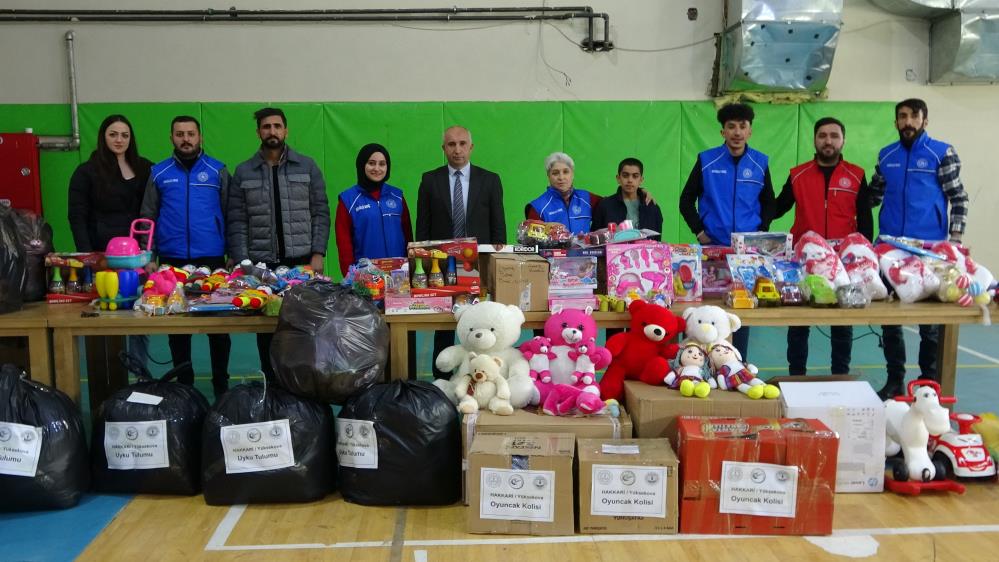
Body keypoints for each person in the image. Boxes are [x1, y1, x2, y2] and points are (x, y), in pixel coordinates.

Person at [870, 98, 969, 400]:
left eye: (914, 116)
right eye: (902, 116)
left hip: (929, 251)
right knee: (889, 320)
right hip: (889, 250)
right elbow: (873, 196)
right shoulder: (887, 155)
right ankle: (895, 380)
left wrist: (954, 241)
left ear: (925, 120)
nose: (908, 122)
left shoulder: (941, 153)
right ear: (896, 122)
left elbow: (959, 198)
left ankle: (928, 383)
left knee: (930, 324)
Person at [228, 107, 330, 381]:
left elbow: (320, 211)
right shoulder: (244, 171)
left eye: (277, 126)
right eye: (266, 127)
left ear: (286, 130)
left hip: (301, 262)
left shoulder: (307, 167)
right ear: (258, 132)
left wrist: (318, 253)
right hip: (262, 266)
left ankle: (303, 385)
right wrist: (242, 261)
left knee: (304, 329)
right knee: (266, 332)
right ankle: (271, 385)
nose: (272, 131)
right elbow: (237, 220)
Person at [773, 116, 873, 378]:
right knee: (799, 324)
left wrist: (864, 261)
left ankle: (841, 376)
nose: (828, 141)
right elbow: (774, 208)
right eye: (823, 136)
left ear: (843, 140)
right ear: (815, 140)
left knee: (842, 324)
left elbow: (865, 222)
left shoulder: (857, 175)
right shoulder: (798, 175)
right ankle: (796, 377)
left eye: (834, 135)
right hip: (803, 262)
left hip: (842, 264)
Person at [140, 115, 231, 398]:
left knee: (219, 328)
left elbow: (232, 214)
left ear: (200, 137)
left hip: (213, 260)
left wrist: (233, 254)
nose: (186, 139)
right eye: (180, 134)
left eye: (191, 133)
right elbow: (147, 216)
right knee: (178, 328)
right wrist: (148, 255)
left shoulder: (218, 171)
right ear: (171, 138)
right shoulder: (159, 172)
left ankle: (221, 385)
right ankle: (184, 387)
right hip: (172, 260)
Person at [679, 103, 776, 361]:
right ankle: (697, 361)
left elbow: (769, 202)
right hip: (712, 250)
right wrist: (700, 232)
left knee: (741, 313)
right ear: (722, 131)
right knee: (706, 311)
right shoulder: (706, 160)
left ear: (750, 131)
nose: (736, 132)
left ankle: (736, 362)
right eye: (731, 126)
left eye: (742, 126)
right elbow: (685, 200)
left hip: (746, 255)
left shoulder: (760, 163)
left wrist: (760, 234)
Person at [415, 125, 506, 380]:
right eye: (451, 144)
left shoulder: (490, 180)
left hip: (478, 263)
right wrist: (421, 255)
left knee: (481, 321)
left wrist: (495, 259)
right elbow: (423, 225)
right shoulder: (429, 180)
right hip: (441, 264)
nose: (457, 150)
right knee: (444, 323)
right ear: (443, 148)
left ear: (471, 147)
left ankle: (482, 373)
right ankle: (440, 378)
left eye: (462, 144)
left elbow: (498, 226)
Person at [68, 114, 152, 371]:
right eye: (113, 134)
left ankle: (139, 373)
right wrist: (89, 257)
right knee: (106, 315)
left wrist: (150, 254)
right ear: (103, 137)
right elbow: (77, 216)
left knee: (139, 315)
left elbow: (152, 211)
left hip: (136, 257)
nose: (119, 140)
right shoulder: (86, 172)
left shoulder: (145, 167)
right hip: (103, 257)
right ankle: (107, 377)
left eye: (124, 135)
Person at [335, 143, 413, 276]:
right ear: (362, 165)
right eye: (371, 163)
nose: (377, 168)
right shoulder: (348, 199)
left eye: (382, 164)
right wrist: (351, 278)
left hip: (399, 276)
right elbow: (344, 246)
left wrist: (411, 267)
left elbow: (408, 237)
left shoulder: (397, 196)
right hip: (366, 279)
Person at [525, 152, 601, 234]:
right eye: (555, 173)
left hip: (585, 247)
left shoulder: (588, 198)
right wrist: (546, 229)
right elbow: (531, 240)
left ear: (572, 174)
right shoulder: (538, 207)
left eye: (565, 172)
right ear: (548, 176)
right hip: (553, 247)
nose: (561, 177)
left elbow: (611, 206)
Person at [591, 157, 663, 239]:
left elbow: (657, 242)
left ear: (641, 180)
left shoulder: (652, 208)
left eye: (635, 176)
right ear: (618, 178)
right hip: (614, 251)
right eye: (625, 175)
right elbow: (595, 238)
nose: (630, 180)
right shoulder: (605, 206)